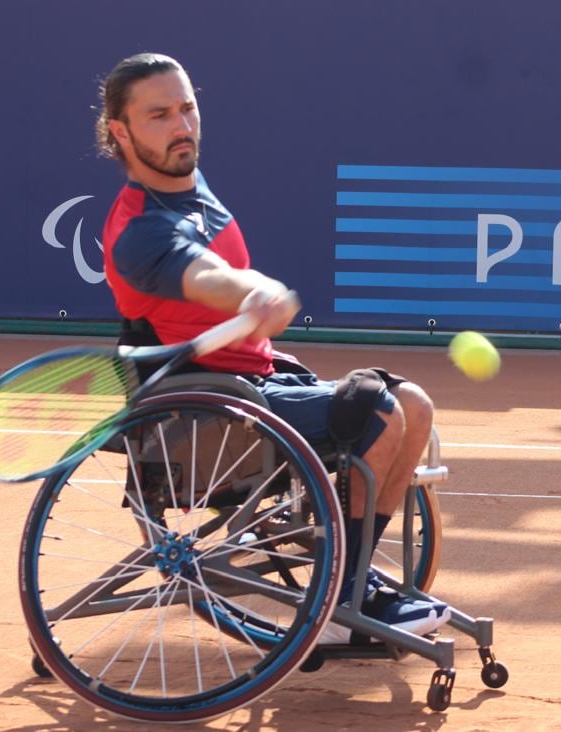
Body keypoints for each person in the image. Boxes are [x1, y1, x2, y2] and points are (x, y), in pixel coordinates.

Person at [95, 52, 448, 641]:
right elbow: (204, 273)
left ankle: (352, 580)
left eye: (187, 108)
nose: (182, 126)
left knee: (414, 404)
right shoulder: (141, 231)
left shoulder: (185, 186)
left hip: (251, 387)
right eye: (159, 115)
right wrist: (252, 291)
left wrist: (253, 296)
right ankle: (343, 596)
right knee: (380, 415)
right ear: (121, 132)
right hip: (206, 416)